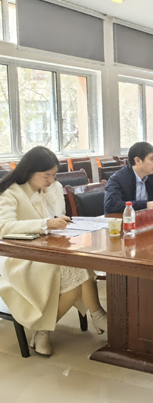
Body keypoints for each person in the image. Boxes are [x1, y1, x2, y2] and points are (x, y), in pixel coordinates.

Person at [0, 146, 107, 356]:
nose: (51, 180)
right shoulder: (12, 193)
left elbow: (57, 217)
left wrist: (59, 222)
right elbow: (3, 227)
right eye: (46, 175)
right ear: (29, 171)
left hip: (49, 251)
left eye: (54, 175)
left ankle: (44, 332)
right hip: (19, 258)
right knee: (78, 269)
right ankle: (99, 316)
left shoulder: (53, 188)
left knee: (77, 267)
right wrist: (45, 224)